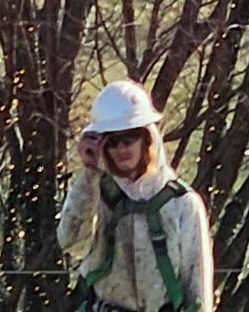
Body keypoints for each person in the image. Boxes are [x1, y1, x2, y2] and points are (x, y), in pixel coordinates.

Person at [59, 79, 214, 312]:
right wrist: (89, 173)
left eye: (129, 138)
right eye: (112, 141)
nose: (121, 148)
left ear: (147, 138)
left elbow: (197, 285)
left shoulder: (182, 203)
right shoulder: (96, 194)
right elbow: (71, 242)